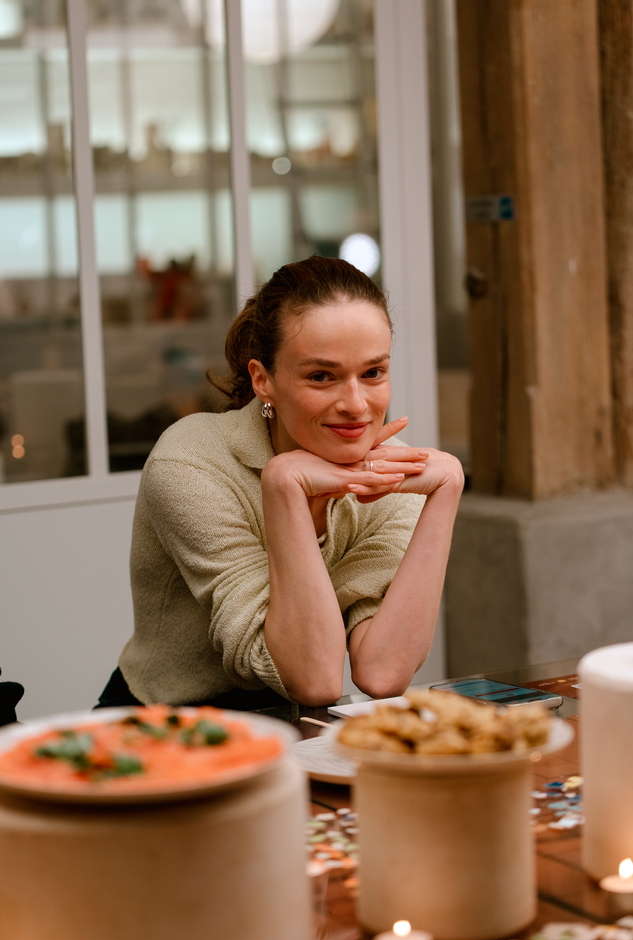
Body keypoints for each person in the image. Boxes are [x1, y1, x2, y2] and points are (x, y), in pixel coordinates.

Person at [97, 257, 464, 710]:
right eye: (321, 376)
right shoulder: (191, 462)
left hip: (293, 724)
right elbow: (314, 680)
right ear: (263, 380)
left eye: (372, 373)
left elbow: (383, 671)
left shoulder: (395, 475)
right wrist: (284, 486)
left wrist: (447, 490)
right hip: (163, 722)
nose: (355, 405)